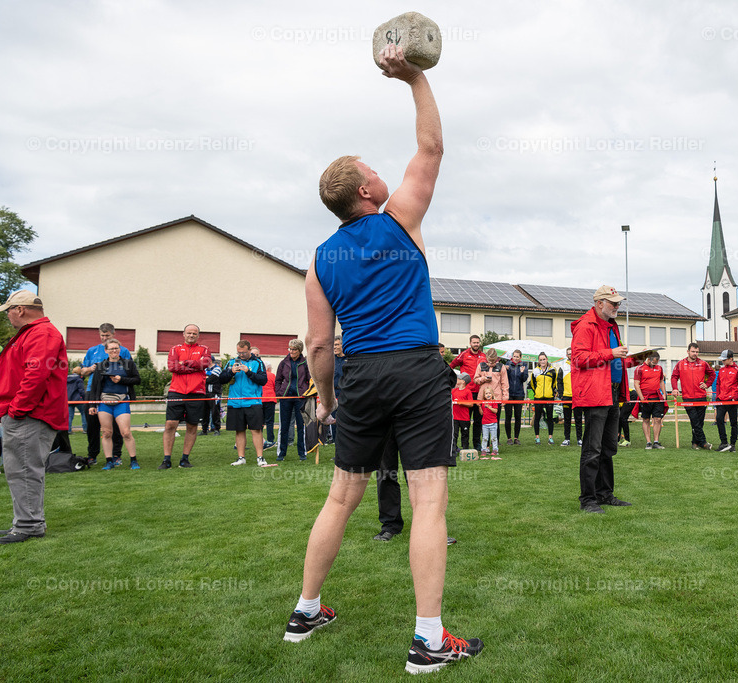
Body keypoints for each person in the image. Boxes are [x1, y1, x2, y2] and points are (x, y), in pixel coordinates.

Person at [286, 44, 481, 673]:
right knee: (428, 500)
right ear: (368, 189)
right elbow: (431, 150)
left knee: (341, 497)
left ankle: (307, 610)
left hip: (361, 374)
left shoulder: (319, 260)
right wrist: (416, 77)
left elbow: (319, 346)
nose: (381, 174)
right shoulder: (400, 219)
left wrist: (325, 401)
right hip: (417, 369)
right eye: (373, 170)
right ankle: (427, 640)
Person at [0, 290, 68, 544]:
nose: (8, 316)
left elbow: (36, 376)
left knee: (24, 469)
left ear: (20, 310)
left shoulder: (41, 333)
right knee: (19, 469)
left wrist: (16, 409)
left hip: (30, 414)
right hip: (27, 412)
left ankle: (29, 525)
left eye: (8, 311)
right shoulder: (35, 333)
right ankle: (24, 522)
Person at [571, 285, 636, 513]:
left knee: (608, 448)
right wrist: (612, 353)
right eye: (614, 303)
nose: (617, 306)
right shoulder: (585, 325)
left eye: (618, 303)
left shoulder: (611, 326)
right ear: (599, 303)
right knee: (592, 450)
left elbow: (612, 361)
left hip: (612, 393)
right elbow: (579, 358)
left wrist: (633, 360)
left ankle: (605, 494)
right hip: (595, 395)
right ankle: (588, 499)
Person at [160, 324, 212, 469]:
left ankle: (185, 459)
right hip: (176, 391)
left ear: (198, 335)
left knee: (192, 425)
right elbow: (172, 367)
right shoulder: (175, 349)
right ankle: (166, 459)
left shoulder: (204, 349)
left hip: (196, 392)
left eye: (194, 333)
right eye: (189, 333)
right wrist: (196, 367)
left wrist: (188, 363)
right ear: (183, 334)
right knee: (170, 425)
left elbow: (206, 363)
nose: (191, 335)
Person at [80, 323, 132, 465]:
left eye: (107, 335)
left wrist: (120, 379)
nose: (104, 338)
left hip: (115, 392)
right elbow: (82, 372)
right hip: (93, 390)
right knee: (92, 424)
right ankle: (92, 455)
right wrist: (90, 369)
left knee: (116, 426)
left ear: (113, 335)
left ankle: (116, 455)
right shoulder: (92, 351)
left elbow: (131, 372)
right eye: (102, 335)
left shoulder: (124, 351)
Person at [86, 338, 141, 470]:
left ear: (119, 349)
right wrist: (92, 405)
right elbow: (94, 387)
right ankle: (109, 461)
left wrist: (121, 379)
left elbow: (137, 380)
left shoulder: (128, 364)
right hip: (104, 403)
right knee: (106, 433)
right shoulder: (100, 366)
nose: (114, 351)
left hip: (121, 402)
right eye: (111, 349)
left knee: (126, 432)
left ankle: (133, 460)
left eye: (116, 348)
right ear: (106, 351)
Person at [221, 341, 269, 467]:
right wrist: (231, 372)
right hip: (235, 402)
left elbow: (263, 380)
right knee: (239, 430)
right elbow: (221, 379)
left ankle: (260, 457)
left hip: (253, 401)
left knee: (256, 430)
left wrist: (248, 372)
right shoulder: (232, 362)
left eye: (243, 352)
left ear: (249, 350)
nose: (241, 355)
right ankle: (241, 457)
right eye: (239, 352)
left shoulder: (258, 362)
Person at [671, 342, 716, 451]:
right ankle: (704, 442)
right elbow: (674, 377)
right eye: (693, 351)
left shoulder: (703, 363)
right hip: (687, 397)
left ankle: (695, 443)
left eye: (696, 352)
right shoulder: (680, 364)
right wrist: (675, 388)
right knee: (695, 421)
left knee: (699, 422)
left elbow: (712, 374)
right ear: (688, 352)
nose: (695, 353)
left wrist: (707, 384)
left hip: (701, 397)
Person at [275, 339, 310, 461]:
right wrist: (279, 392)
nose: (291, 351)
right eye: (290, 349)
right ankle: (281, 453)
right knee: (284, 426)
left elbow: (310, 379)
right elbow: (278, 380)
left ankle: (302, 453)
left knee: (301, 426)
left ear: (299, 350)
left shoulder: (305, 363)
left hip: (300, 398)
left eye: (294, 349)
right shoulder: (283, 363)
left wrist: (307, 392)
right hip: (286, 397)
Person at [449, 335, 485, 451]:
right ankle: (464, 445)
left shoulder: (483, 356)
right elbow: (452, 365)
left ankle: (477, 443)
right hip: (466, 393)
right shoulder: (464, 354)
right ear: (470, 343)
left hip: (480, 392)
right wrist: (453, 381)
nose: (476, 344)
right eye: (474, 342)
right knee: (465, 421)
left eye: (478, 342)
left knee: (478, 421)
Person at [714, 350, 738, 453]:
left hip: (732, 401)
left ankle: (732, 444)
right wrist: (718, 396)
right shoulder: (722, 370)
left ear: (731, 359)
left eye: (724, 359)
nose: (722, 361)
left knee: (734, 423)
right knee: (719, 419)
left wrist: (735, 397)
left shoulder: (737, 370)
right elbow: (718, 384)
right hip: (721, 400)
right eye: (722, 359)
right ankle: (723, 443)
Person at [634, 351, 667, 450]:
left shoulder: (659, 368)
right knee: (646, 419)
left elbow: (661, 381)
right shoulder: (639, 369)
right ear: (648, 359)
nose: (655, 365)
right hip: (645, 398)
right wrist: (641, 397)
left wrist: (664, 394)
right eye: (653, 363)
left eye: (656, 363)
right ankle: (648, 442)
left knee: (657, 419)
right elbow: (636, 384)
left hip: (657, 397)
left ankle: (656, 442)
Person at [472, 348, 507, 441]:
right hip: (482, 397)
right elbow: (475, 380)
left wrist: (505, 398)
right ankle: (484, 444)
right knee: (481, 421)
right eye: (489, 361)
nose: (491, 363)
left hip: (496, 397)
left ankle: (495, 443)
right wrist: (483, 378)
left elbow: (505, 383)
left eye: (493, 361)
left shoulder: (501, 366)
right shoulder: (481, 365)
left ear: (496, 358)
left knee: (496, 421)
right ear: (486, 358)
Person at [529, 352, 557, 444]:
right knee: (537, 417)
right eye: (540, 360)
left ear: (547, 359)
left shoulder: (552, 370)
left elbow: (554, 383)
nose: (542, 361)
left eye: (544, 359)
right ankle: (537, 437)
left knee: (549, 417)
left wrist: (551, 392)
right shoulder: (535, 371)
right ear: (538, 361)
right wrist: (537, 392)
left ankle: (550, 438)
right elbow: (532, 384)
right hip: (538, 397)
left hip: (549, 397)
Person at [557, 348, 583, 446]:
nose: (570, 355)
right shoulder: (563, 367)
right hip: (566, 397)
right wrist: (561, 394)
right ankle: (567, 439)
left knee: (578, 418)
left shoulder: (579, 365)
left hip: (577, 397)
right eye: (568, 354)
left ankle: (579, 439)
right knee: (567, 419)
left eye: (572, 353)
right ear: (566, 355)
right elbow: (559, 382)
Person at [504, 350, 528, 445]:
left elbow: (524, 379)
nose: (516, 358)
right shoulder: (508, 364)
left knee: (518, 416)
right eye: (514, 356)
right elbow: (504, 377)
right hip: (509, 394)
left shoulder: (523, 365)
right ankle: (509, 438)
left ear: (520, 357)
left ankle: (516, 438)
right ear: (512, 356)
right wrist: (506, 370)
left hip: (519, 394)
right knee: (508, 416)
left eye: (518, 356)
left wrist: (522, 373)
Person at [328, 335, 346, 444]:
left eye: (336, 345)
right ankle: (336, 447)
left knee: (344, 422)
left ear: (342, 346)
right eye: (333, 345)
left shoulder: (348, 359)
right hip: (333, 394)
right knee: (334, 422)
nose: (334, 347)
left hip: (345, 394)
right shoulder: (331, 360)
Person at [201, 359, 223, 435]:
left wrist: (205, 377)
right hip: (204, 393)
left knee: (215, 412)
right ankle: (204, 430)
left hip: (214, 393)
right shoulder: (204, 369)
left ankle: (217, 429)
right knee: (204, 413)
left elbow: (211, 379)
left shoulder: (217, 368)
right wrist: (206, 376)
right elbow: (200, 378)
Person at [451, 373, 473, 450]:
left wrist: (461, 402)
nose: (456, 380)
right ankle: (453, 450)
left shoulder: (468, 391)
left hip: (464, 418)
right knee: (454, 434)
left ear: (463, 381)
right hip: (454, 417)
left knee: (465, 434)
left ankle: (465, 449)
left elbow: (471, 404)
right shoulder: (454, 391)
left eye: (458, 379)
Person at [479, 387, 499, 456]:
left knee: (493, 438)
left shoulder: (494, 402)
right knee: (485, 438)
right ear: (484, 395)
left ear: (492, 394)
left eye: (489, 393)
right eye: (486, 393)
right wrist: (479, 406)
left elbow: (495, 411)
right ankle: (484, 450)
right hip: (485, 423)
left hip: (493, 423)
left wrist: (489, 407)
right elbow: (481, 413)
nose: (488, 395)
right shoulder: (483, 402)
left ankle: (495, 449)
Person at [67, 367, 87, 433]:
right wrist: (84, 398)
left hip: (69, 399)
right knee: (83, 413)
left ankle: (69, 430)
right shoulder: (79, 379)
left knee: (70, 416)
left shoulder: (67, 378)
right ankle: (85, 429)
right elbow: (81, 390)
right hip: (78, 399)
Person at [262, 363, 277, 448]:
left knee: (260, 421)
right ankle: (270, 440)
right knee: (270, 421)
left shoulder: (260, 375)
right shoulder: (272, 375)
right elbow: (275, 387)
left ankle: (260, 439)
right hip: (270, 398)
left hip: (261, 399)